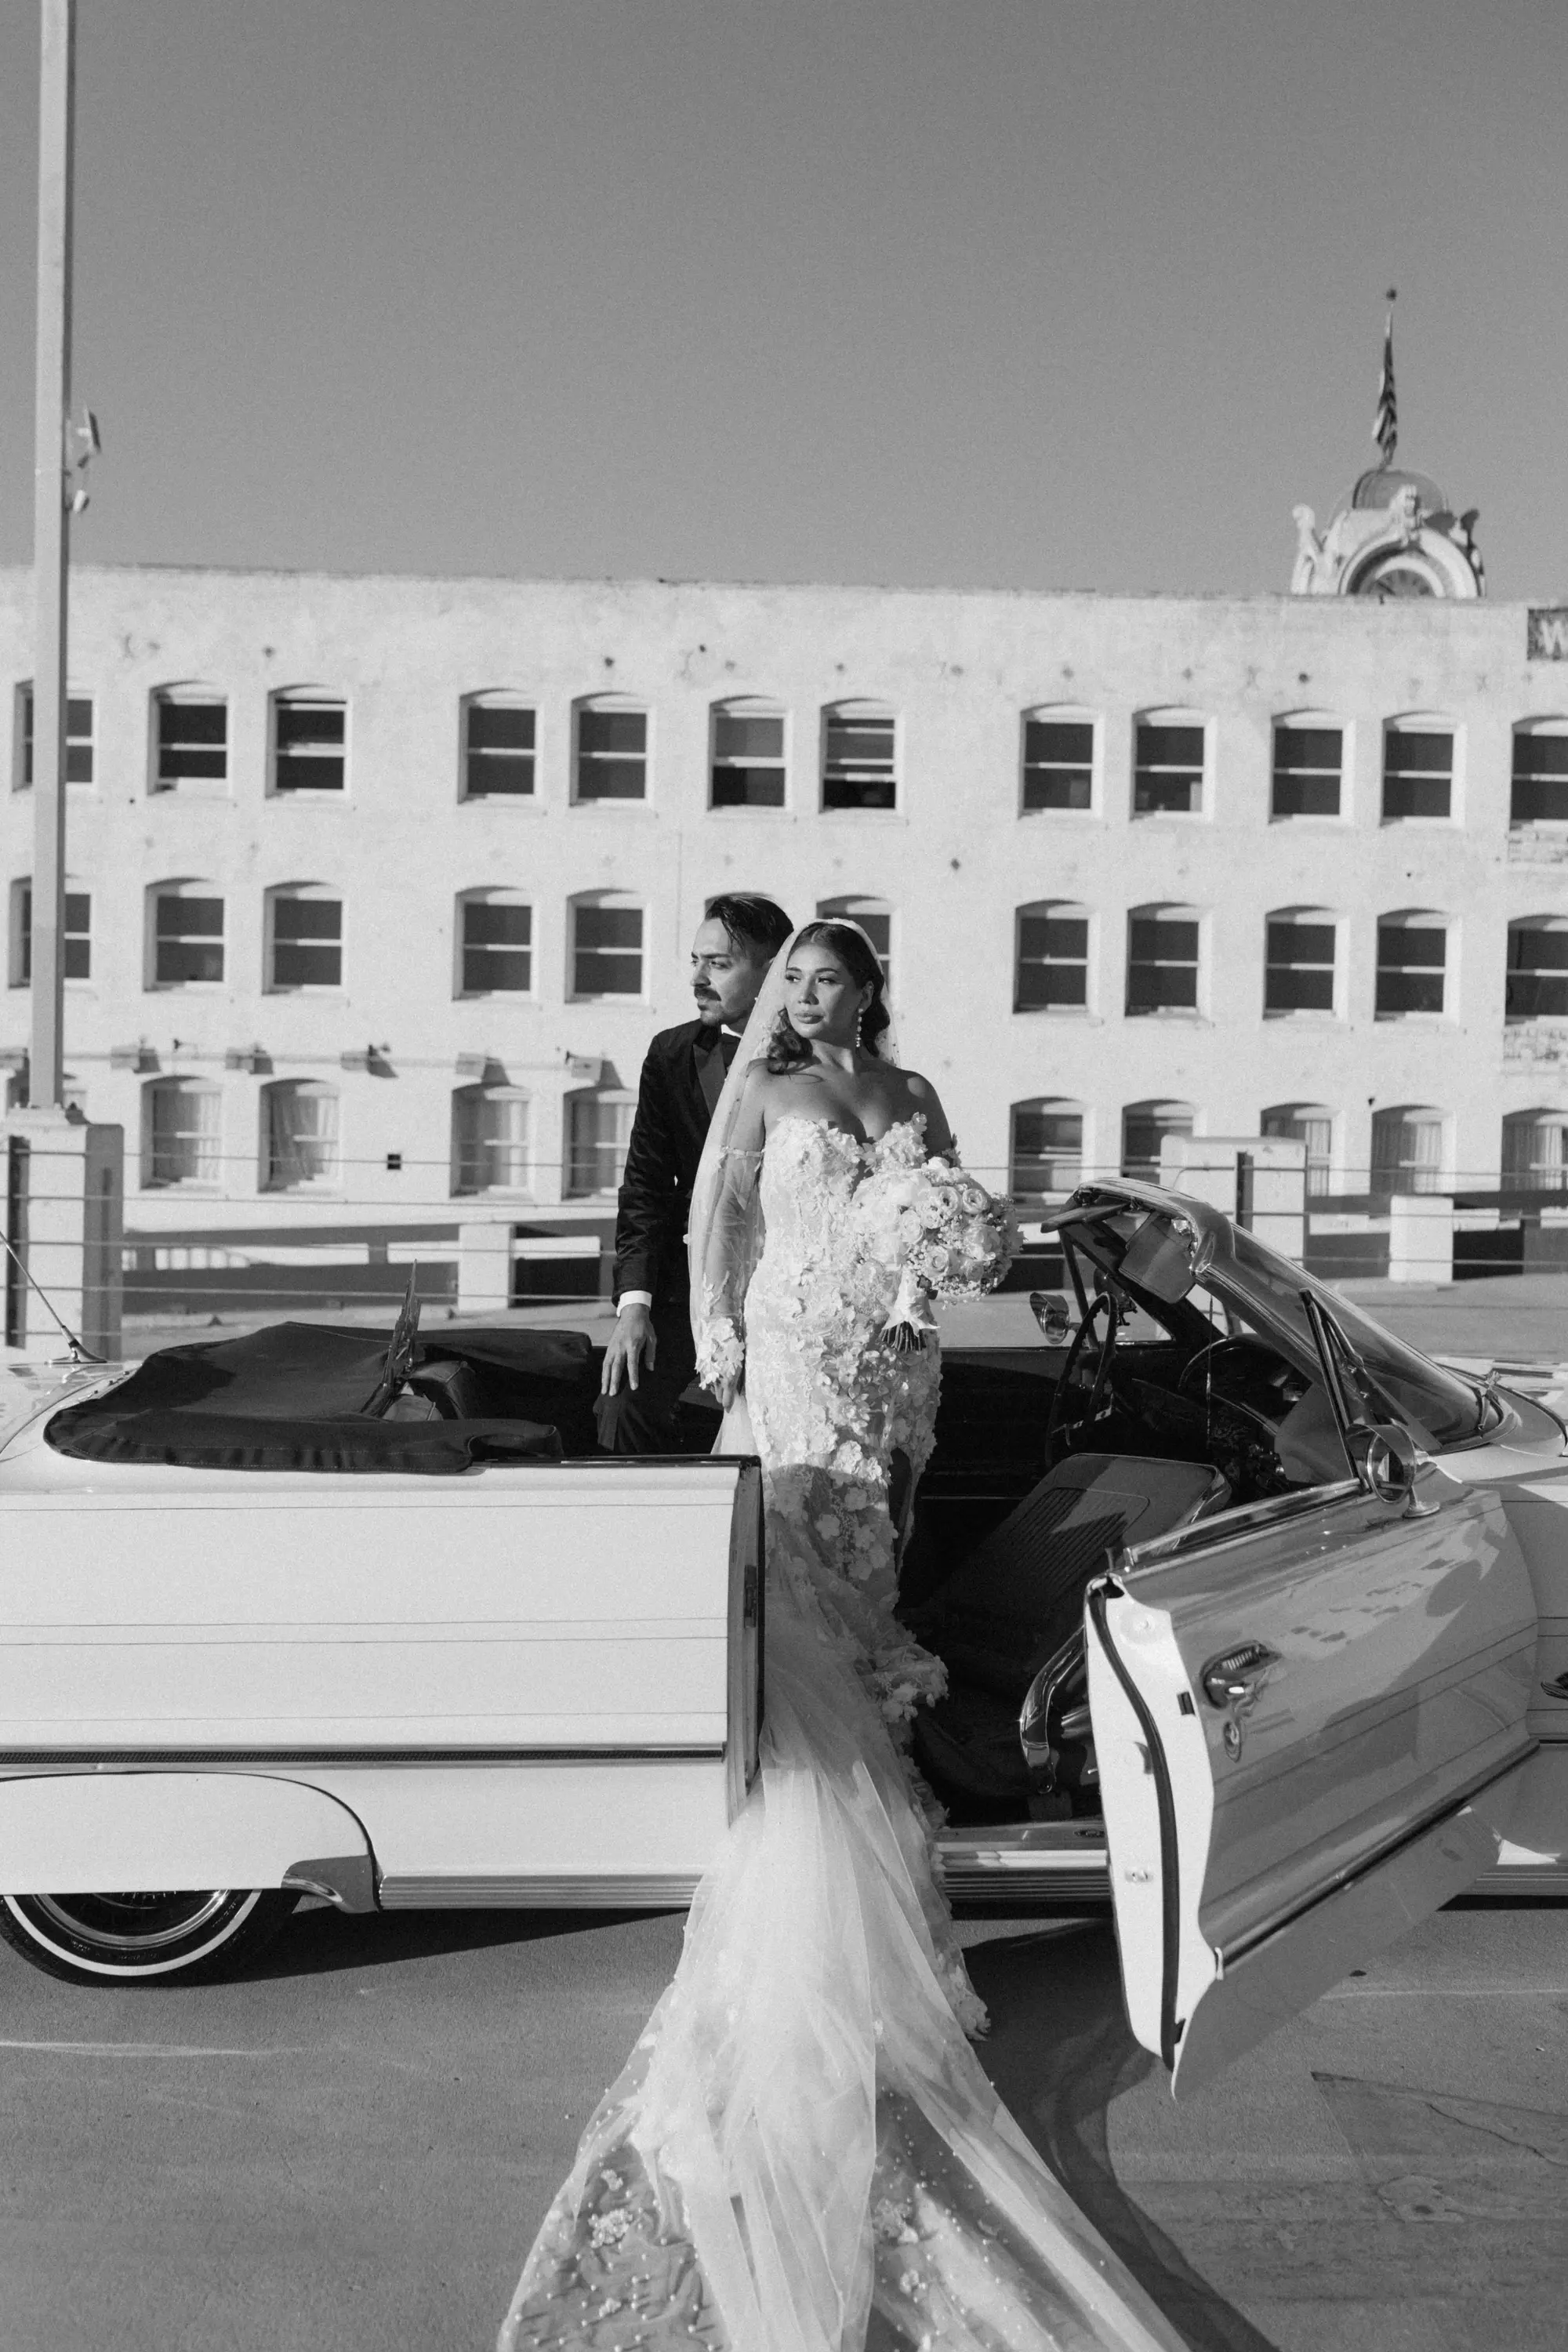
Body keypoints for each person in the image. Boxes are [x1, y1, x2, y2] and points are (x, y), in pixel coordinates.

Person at [502, 923, 1181, 2352]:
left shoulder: (916, 1094)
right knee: (811, 1575)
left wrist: (938, 1269)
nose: (802, 1001)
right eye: (791, 982)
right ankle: (832, 1806)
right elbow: (716, 1223)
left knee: (878, 1568)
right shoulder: (766, 1094)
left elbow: (954, 1224)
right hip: (799, 1350)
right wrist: (727, 1346)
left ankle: (878, 1744)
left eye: (826, 980)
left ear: (870, 988)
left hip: (893, 1368)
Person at [596, 894, 793, 1454]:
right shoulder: (671, 1054)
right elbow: (645, 1192)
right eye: (694, 961)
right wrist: (635, 1308)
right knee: (621, 1402)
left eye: (719, 964)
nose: (697, 979)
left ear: (772, 971)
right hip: (694, 1286)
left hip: (792, 1290)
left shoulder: (820, 1065)